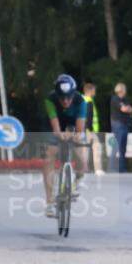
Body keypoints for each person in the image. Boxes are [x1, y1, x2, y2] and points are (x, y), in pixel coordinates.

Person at [41, 74, 88, 217]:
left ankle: (79, 176)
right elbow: (55, 127)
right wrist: (60, 134)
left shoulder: (81, 101)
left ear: (74, 94)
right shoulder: (50, 99)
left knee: (80, 149)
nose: (66, 101)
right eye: (62, 97)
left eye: (69, 97)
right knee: (49, 155)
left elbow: (80, 129)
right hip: (57, 125)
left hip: (74, 124)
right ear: (57, 95)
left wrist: (76, 136)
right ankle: (49, 204)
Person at [109, 82, 132, 173]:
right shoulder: (115, 99)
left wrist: (128, 108)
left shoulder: (125, 99)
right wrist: (127, 108)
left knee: (123, 148)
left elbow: (131, 110)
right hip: (118, 124)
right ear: (121, 90)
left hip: (124, 125)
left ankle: (122, 168)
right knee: (116, 147)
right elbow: (124, 109)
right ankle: (112, 168)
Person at [82, 82, 106, 175]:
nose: (95, 92)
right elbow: (89, 115)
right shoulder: (89, 101)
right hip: (90, 130)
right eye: (94, 90)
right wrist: (90, 128)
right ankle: (98, 169)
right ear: (90, 91)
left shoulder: (82, 100)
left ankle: (83, 169)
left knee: (85, 150)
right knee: (97, 149)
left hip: (83, 129)